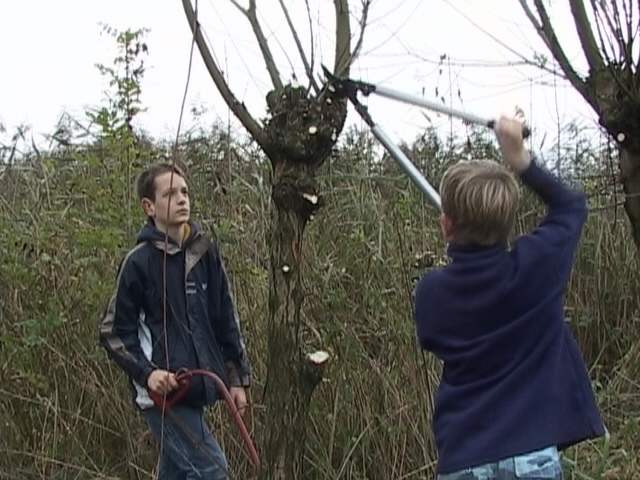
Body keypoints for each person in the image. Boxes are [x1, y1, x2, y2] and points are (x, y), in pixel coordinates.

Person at [413, 115, 605, 480]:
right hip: (531, 457)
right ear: (508, 220)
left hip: (463, 461)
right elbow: (571, 207)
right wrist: (520, 160)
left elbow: (432, 339)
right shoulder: (537, 269)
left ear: (446, 225)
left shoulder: (431, 292)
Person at [99, 162, 251, 480]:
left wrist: (236, 379)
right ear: (149, 206)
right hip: (161, 397)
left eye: (184, 191)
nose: (182, 199)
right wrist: (148, 373)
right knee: (213, 472)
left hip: (198, 387)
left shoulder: (205, 253)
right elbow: (113, 331)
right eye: (170, 193)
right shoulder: (138, 263)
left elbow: (225, 319)